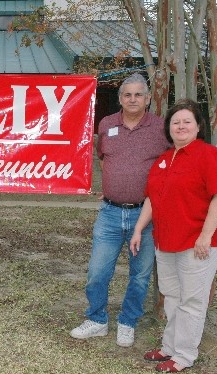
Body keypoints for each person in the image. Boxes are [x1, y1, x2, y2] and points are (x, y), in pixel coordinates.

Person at [130, 99, 217, 373]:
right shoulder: (164, 159)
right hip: (166, 241)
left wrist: (205, 236)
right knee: (172, 295)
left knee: (191, 300)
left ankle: (185, 355)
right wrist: (139, 228)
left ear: (198, 127)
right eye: (175, 122)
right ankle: (169, 347)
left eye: (187, 121)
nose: (181, 126)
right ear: (169, 128)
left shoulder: (209, 155)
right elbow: (152, 197)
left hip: (197, 242)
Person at [70, 73, 171, 347]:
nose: (133, 99)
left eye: (139, 94)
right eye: (127, 95)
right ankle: (97, 319)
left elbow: (171, 165)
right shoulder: (107, 124)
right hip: (110, 213)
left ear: (148, 98)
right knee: (97, 272)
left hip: (147, 215)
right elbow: (103, 157)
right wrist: (113, 182)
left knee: (140, 274)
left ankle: (127, 322)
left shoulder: (161, 128)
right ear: (120, 99)